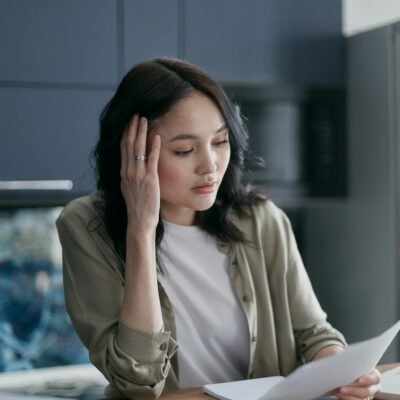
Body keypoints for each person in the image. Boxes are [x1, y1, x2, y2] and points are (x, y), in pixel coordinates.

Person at [56, 58, 381, 400]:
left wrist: (344, 373)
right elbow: (136, 380)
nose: (210, 166)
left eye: (220, 141)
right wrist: (141, 229)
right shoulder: (85, 227)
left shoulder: (261, 219)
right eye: (184, 150)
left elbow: (313, 334)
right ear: (131, 152)